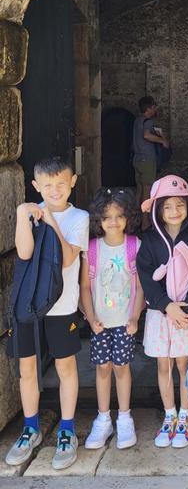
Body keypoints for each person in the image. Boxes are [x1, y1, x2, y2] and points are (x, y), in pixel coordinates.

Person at [5, 157, 89, 470]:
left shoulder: (79, 217)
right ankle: (31, 428)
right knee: (27, 367)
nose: (54, 191)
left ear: (73, 183)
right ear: (36, 186)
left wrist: (51, 219)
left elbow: (68, 259)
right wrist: (21, 215)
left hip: (62, 305)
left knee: (65, 366)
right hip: (29, 305)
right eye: (47, 185)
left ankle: (67, 430)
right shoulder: (30, 213)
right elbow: (25, 252)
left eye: (61, 184)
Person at [137, 175, 188, 448]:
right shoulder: (149, 241)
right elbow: (145, 277)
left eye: (180, 205)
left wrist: (187, 309)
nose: (174, 211)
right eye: (167, 206)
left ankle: (186, 414)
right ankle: (169, 414)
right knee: (163, 364)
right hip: (159, 312)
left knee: (183, 364)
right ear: (157, 211)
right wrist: (166, 305)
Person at [80, 188, 144, 450]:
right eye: (107, 217)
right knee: (103, 368)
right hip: (100, 323)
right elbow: (85, 287)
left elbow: (140, 286)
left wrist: (135, 317)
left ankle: (125, 417)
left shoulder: (134, 246)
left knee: (121, 367)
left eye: (119, 216)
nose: (113, 222)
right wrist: (91, 318)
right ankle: (103, 418)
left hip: (124, 322)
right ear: (99, 219)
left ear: (128, 217)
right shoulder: (92, 248)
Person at [132, 96, 169, 208]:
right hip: (147, 159)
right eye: (153, 107)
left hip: (137, 159)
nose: (155, 109)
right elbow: (146, 135)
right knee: (147, 189)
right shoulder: (148, 122)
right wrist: (162, 140)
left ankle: (136, 215)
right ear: (148, 109)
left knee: (140, 188)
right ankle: (146, 218)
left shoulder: (137, 120)